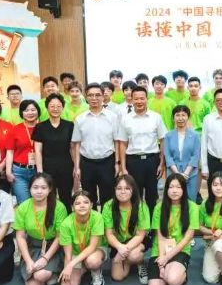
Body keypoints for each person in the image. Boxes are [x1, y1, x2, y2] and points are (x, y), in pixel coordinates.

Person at [14, 173, 68, 285]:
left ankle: (50, 272)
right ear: (30, 189)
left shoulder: (59, 207)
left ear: (50, 189)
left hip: (53, 247)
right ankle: (46, 274)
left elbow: (59, 237)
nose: (39, 191)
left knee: (41, 275)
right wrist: (28, 261)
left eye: (43, 188)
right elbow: (20, 236)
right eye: (35, 187)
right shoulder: (23, 207)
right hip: (33, 246)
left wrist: (45, 259)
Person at [147, 173, 200, 285]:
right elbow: (160, 237)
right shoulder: (159, 207)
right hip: (160, 251)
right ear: (166, 189)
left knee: (173, 280)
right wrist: (162, 262)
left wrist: (167, 258)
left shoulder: (192, 207)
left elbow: (187, 238)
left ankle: (179, 274)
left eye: (178, 187)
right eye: (171, 187)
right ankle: (170, 272)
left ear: (184, 189)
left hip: (180, 250)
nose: (174, 191)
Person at [118, 86, 167, 215]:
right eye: (136, 99)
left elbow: (163, 140)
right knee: (134, 195)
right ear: (131, 99)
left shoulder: (156, 117)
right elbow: (122, 143)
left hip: (152, 160)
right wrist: (123, 167)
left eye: (142, 98)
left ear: (147, 99)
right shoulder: (125, 119)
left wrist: (162, 163)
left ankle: (151, 224)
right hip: (133, 161)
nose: (139, 101)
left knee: (152, 195)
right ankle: (136, 223)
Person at [71, 82, 119, 207]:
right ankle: (92, 219)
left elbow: (117, 142)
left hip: (107, 162)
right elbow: (77, 144)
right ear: (86, 97)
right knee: (88, 197)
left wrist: (117, 163)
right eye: (90, 95)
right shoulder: (80, 119)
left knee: (108, 198)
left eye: (97, 95)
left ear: (103, 96)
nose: (94, 98)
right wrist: (77, 167)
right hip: (87, 164)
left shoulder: (113, 117)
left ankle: (106, 220)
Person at [102, 175, 151, 284]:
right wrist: (119, 247)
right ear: (115, 190)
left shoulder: (141, 206)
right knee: (117, 277)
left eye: (127, 188)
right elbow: (109, 234)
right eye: (119, 188)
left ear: (133, 190)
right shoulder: (108, 206)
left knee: (134, 255)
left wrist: (121, 254)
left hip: (136, 240)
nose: (123, 192)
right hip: (118, 242)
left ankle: (139, 263)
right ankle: (127, 261)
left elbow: (140, 235)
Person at [59, 190, 107, 285]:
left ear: (91, 205)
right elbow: (68, 255)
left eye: (86, 202)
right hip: (75, 254)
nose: (82, 205)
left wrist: (70, 265)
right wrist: (65, 281)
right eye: (77, 203)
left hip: (96, 250)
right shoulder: (66, 224)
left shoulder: (97, 217)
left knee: (92, 261)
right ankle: (83, 268)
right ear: (72, 207)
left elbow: (92, 247)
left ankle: (95, 270)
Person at [33, 93, 75, 206]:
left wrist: (76, 166)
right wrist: (40, 171)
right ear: (47, 108)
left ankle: (66, 216)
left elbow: (72, 148)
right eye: (52, 106)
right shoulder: (40, 127)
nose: (55, 109)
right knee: (49, 198)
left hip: (66, 166)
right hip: (47, 167)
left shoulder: (69, 126)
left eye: (58, 106)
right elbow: (38, 151)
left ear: (62, 107)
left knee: (66, 197)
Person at [5, 99, 40, 206]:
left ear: (38, 111)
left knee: (40, 202)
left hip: (39, 170)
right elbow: (10, 152)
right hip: (19, 172)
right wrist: (8, 172)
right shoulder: (15, 129)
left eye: (33, 110)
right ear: (22, 113)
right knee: (24, 204)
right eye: (26, 110)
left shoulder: (44, 127)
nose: (30, 113)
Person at [164, 105, 201, 201]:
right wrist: (177, 174)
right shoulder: (168, 136)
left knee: (190, 201)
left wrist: (186, 173)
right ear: (173, 118)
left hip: (190, 174)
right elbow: (168, 156)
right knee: (173, 201)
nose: (180, 118)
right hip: (173, 173)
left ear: (188, 117)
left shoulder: (195, 135)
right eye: (177, 115)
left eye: (183, 115)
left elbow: (195, 155)